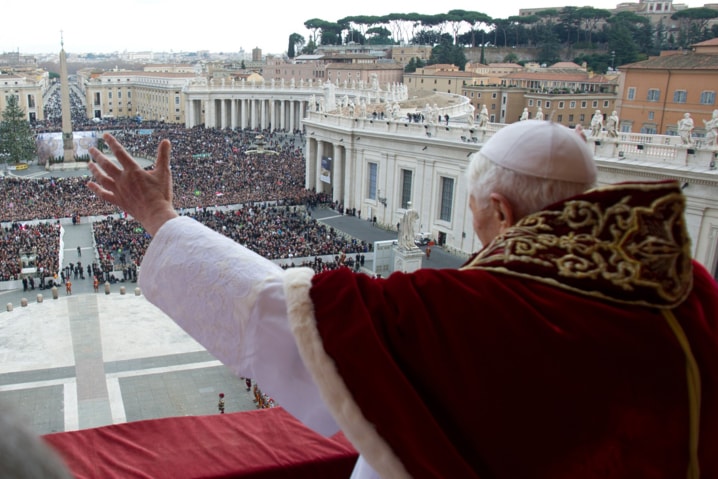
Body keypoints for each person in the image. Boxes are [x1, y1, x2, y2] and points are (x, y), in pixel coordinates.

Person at [87, 125, 718, 478]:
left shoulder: (466, 306)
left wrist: (159, 216)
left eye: (473, 213)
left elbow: (291, 321)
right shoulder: (690, 289)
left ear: (499, 210)